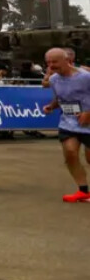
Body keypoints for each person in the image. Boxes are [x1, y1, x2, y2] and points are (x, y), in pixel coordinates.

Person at [42, 47, 90, 202]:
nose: (51, 65)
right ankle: (83, 190)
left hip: (88, 123)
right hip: (68, 122)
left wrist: (88, 113)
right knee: (70, 153)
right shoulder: (54, 80)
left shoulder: (85, 77)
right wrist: (51, 106)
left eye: (54, 62)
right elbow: (61, 98)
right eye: (48, 62)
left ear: (67, 61)